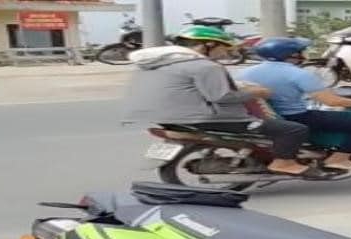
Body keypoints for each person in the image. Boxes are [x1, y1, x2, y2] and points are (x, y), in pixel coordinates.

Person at [123, 25, 313, 176]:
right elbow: (221, 97)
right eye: (224, 47)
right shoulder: (205, 66)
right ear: (208, 45)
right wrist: (257, 92)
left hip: (165, 118)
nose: (226, 52)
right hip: (204, 118)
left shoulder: (153, 65)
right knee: (293, 129)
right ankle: (284, 163)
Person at [238, 37, 351, 171]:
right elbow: (332, 101)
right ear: (292, 55)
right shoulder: (297, 74)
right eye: (301, 51)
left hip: (264, 115)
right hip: (297, 117)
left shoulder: (245, 72)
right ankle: (338, 159)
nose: (304, 54)